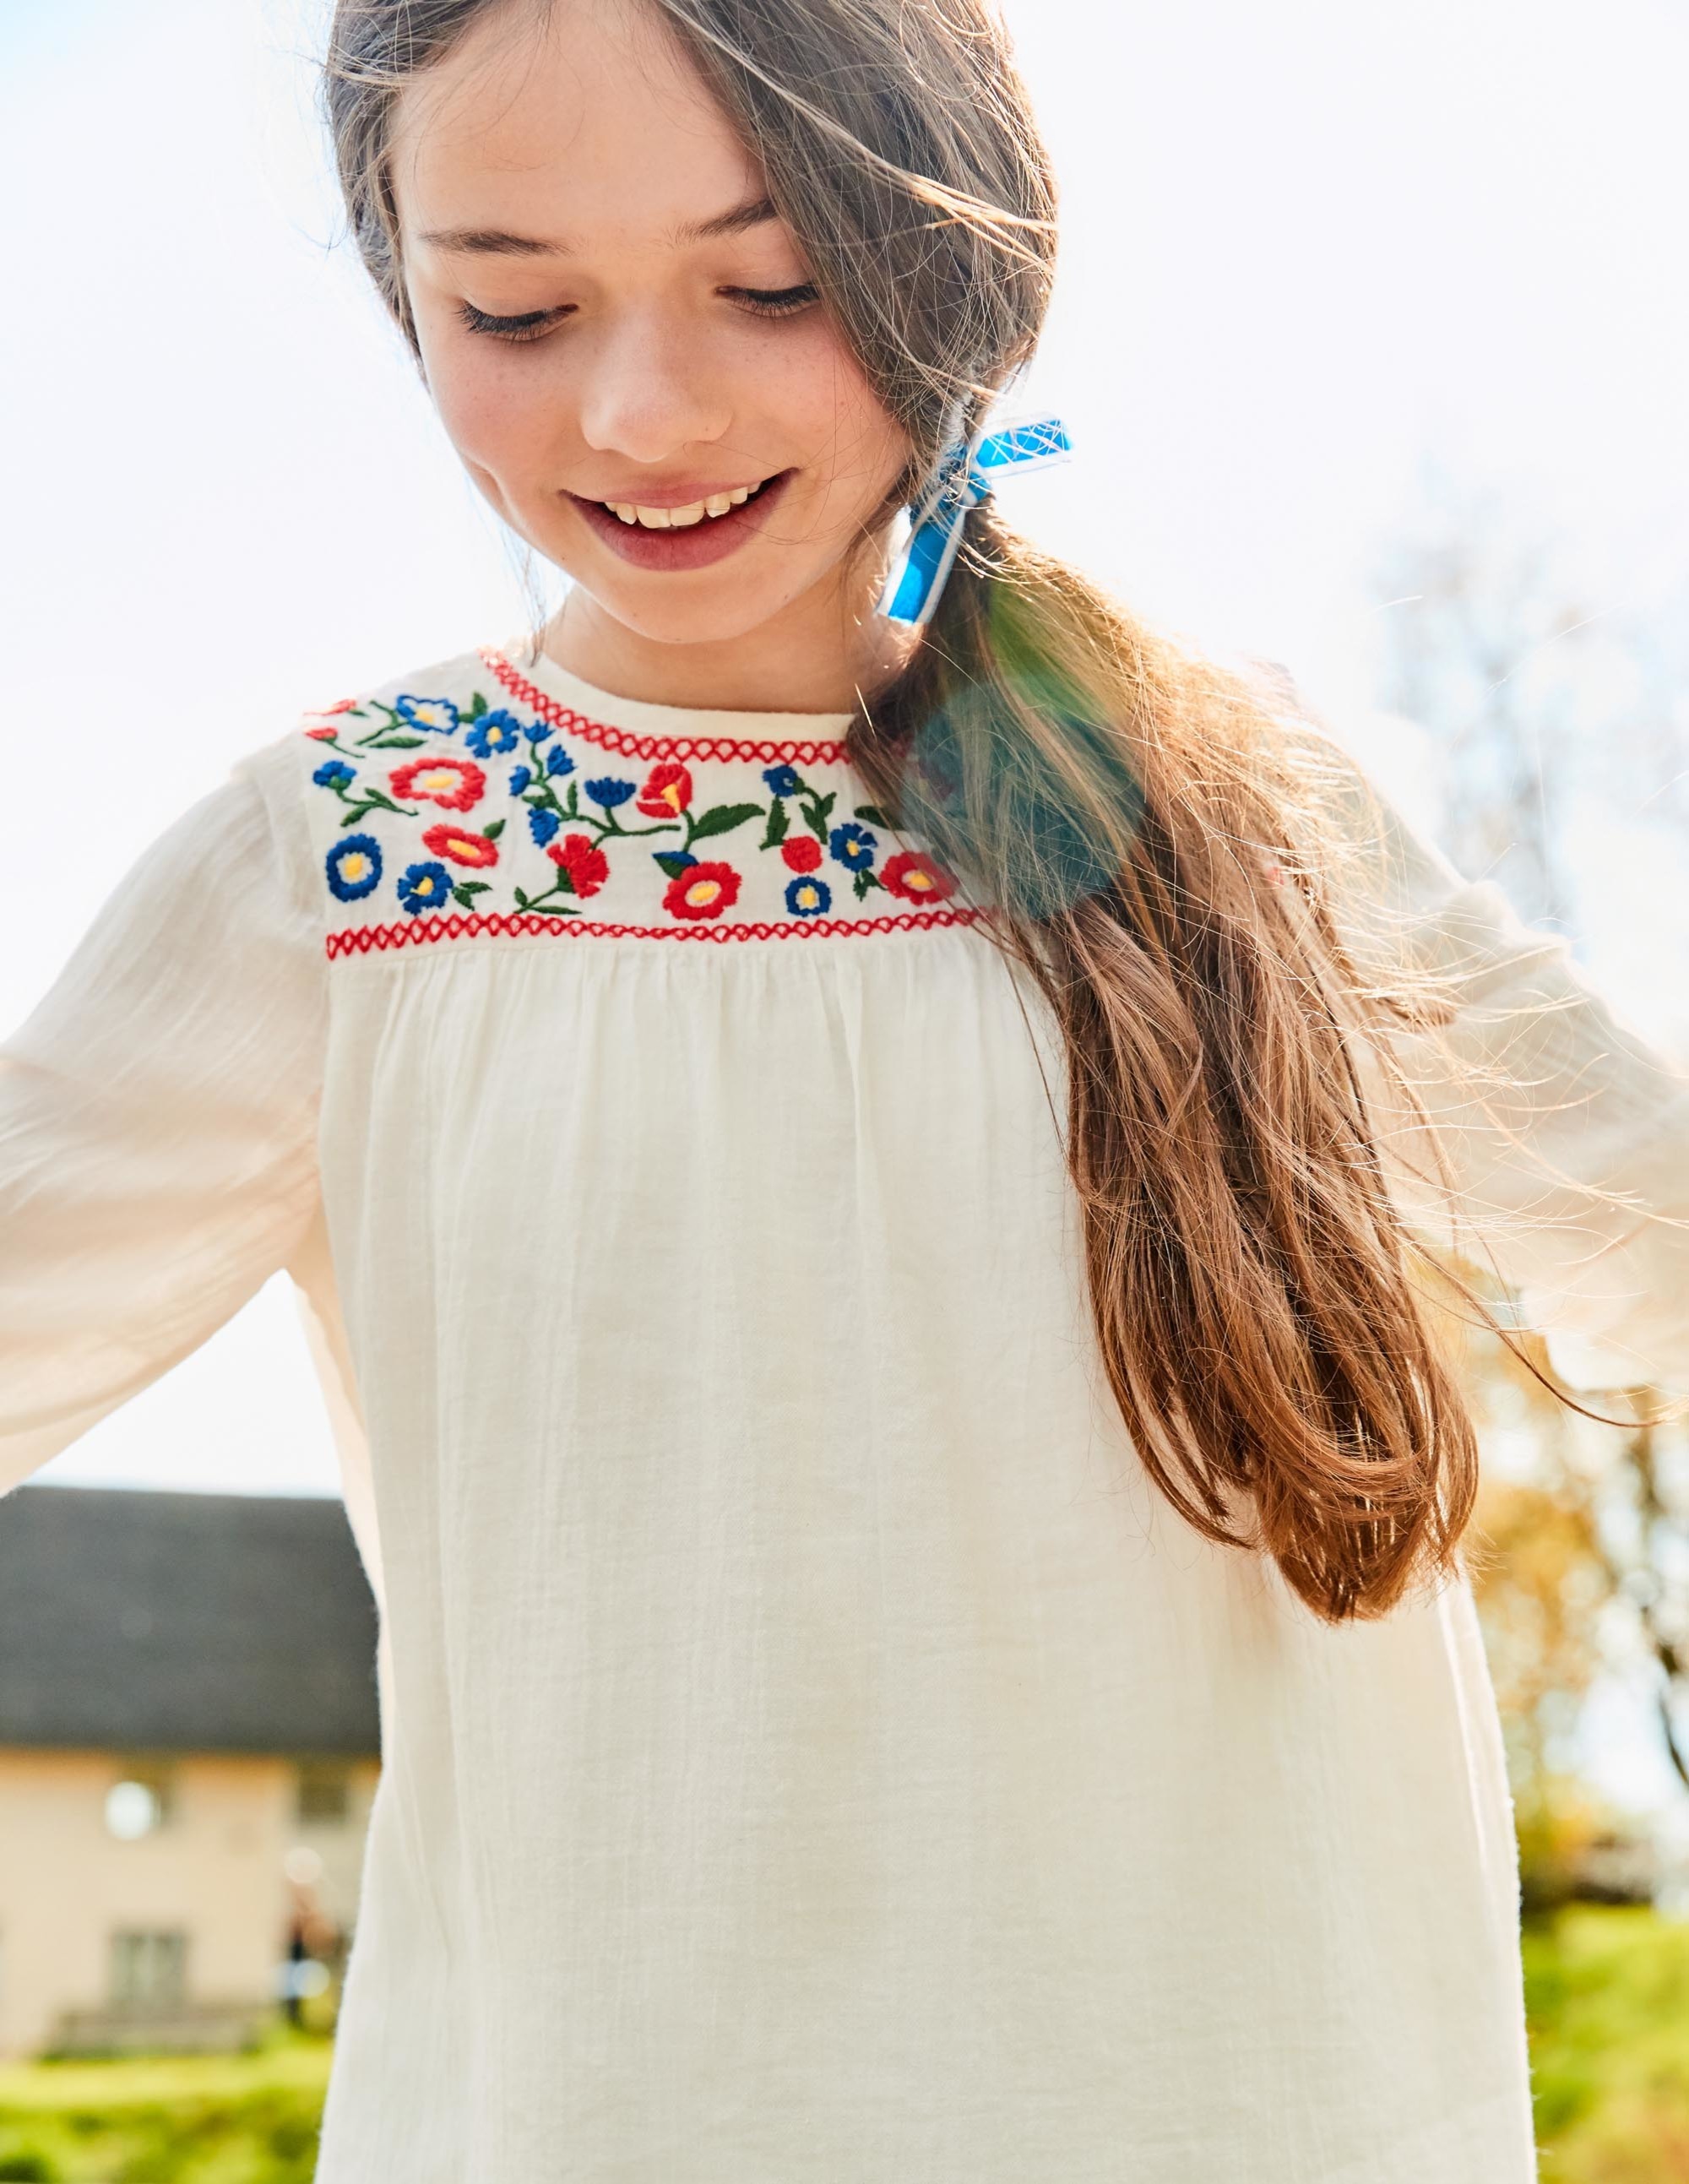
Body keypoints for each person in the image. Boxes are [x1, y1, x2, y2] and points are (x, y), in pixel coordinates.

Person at [3, 0, 1685, 2175]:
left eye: (772, 282)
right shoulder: (346, 863)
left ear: (957, 259)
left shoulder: (1228, 805)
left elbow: (1649, 1222)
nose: (643, 411)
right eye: (515, 309)